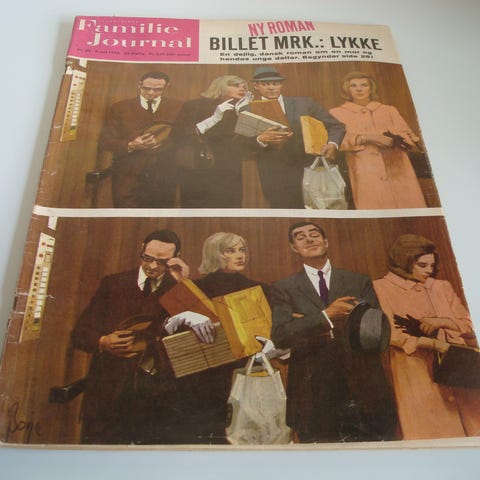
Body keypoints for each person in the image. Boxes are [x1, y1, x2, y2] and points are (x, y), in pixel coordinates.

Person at [71, 229, 214, 444]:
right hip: (108, 395)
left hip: (155, 399)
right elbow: (79, 333)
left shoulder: (178, 287)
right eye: (148, 258)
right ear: (141, 250)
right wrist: (102, 341)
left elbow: (206, 329)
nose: (153, 266)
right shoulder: (113, 283)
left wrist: (182, 282)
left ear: (175, 259)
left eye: (162, 261)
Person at [270, 221, 397, 443]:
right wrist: (326, 315)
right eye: (300, 236)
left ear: (326, 242)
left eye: (314, 234)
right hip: (313, 393)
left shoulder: (358, 281)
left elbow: (375, 331)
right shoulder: (283, 288)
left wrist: (305, 323)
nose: (309, 239)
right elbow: (281, 335)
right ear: (293, 248)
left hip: (363, 389)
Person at [373, 234, 480, 439]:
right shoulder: (380, 288)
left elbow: (470, 325)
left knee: (473, 425)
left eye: (432, 265)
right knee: (433, 429)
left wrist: (442, 321)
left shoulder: (441, 287)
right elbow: (389, 333)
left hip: (459, 365)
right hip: (415, 369)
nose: (429, 270)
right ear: (404, 262)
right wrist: (434, 344)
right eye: (422, 265)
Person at [184, 231, 273, 443]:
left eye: (242, 250)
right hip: (203, 375)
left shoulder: (260, 289)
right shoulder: (194, 289)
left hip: (246, 371)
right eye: (230, 251)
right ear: (215, 253)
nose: (240, 255)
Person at [249, 66, 346, 209]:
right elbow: (239, 144)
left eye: (275, 83)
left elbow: (336, 126)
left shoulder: (304, 104)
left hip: (308, 169)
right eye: (265, 84)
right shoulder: (248, 109)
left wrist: (332, 144)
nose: (271, 88)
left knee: (317, 208)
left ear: (281, 84)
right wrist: (259, 139)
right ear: (256, 85)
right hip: (273, 174)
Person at [329, 71, 427, 209]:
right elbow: (337, 142)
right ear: (347, 89)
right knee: (374, 206)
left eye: (364, 85)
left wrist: (395, 138)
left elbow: (409, 137)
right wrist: (366, 138)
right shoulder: (337, 113)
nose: (359, 89)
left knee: (409, 206)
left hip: (398, 167)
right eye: (353, 86)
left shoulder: (389, 110)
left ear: (371, 88)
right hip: (364, 168)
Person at [99, 71, 183, 208]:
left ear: (167, 87)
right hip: (127, 178)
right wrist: (131, 145)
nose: (151, 93)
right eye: (146, 88)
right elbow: (105, 142)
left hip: (163, 178)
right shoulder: (119, 108)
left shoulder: (178, 107)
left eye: (158, 89)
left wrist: (163, 143)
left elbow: (183, 138)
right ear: (139, 85)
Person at [171, 75, 250, 208]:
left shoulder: (241, 108)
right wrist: (214, 118)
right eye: (236, 85)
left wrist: (244, 115)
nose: (242, 89)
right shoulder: (194, 105)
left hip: (230, 171)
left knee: (229, 207)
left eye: (244, 87)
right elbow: (178, 136)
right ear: (221, 86)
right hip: (199, 166)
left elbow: (245, 142)